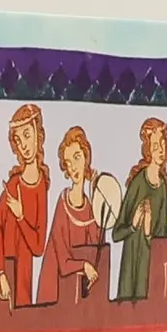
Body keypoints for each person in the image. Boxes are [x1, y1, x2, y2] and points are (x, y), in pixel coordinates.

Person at [0, 102, 49, 307]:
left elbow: (38, 247)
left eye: (27, 135)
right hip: (6, 275)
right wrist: (1, 272)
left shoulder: (41, 187)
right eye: (18, 139)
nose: (23, 145)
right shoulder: (13, 185)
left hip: (24, 278)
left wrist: (21, 217)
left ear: (38, 135)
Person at [37, 124, 104, 304]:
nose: (73, 167)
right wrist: (84, 265)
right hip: (55, 292)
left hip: (78, 292)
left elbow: (96, 250)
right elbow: (63, 262)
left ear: (86, 158)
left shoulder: (90, 208)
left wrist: (97, 196)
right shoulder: (63, 203)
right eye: (68, 162)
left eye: (77, 157)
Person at [113, 117, 167, 301]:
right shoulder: (138, 183)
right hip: (131, 269)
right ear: (148, 151)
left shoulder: (162, 188)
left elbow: (162, 243)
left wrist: (148, 232)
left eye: (163, 143)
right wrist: (133, 225)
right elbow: (116, 234)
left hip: (149, 273)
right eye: (155, 146)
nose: (161, 150)